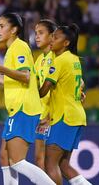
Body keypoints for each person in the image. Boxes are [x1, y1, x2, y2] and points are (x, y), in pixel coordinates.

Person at [0, 13, 55, 185]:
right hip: (16, 109)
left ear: (14, 30)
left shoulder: (19, 47)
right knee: (4, 157)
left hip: (24, 108)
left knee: (17, 161)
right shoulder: (12, 49)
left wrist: (0, 68)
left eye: (2, 26)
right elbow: (20, 80)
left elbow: (26, 76)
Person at [39, 24, 92, 185]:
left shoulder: (60, 61)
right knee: (62, 164)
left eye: (56, 37)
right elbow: (79, 84)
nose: (51, 40)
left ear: (66, 42)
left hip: (65, 117)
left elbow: (43, 91)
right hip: (76, 116)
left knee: (50, 164)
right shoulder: (75, 59)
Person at [33, 19, 57, 170]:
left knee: (51, 162)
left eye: (41, 33)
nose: (36, 36)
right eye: (35, 33)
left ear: (52, 36)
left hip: (53, 116)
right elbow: (33, 86)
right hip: (41, 115)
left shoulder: (56, 57)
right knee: (39, 159)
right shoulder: (39, 59)